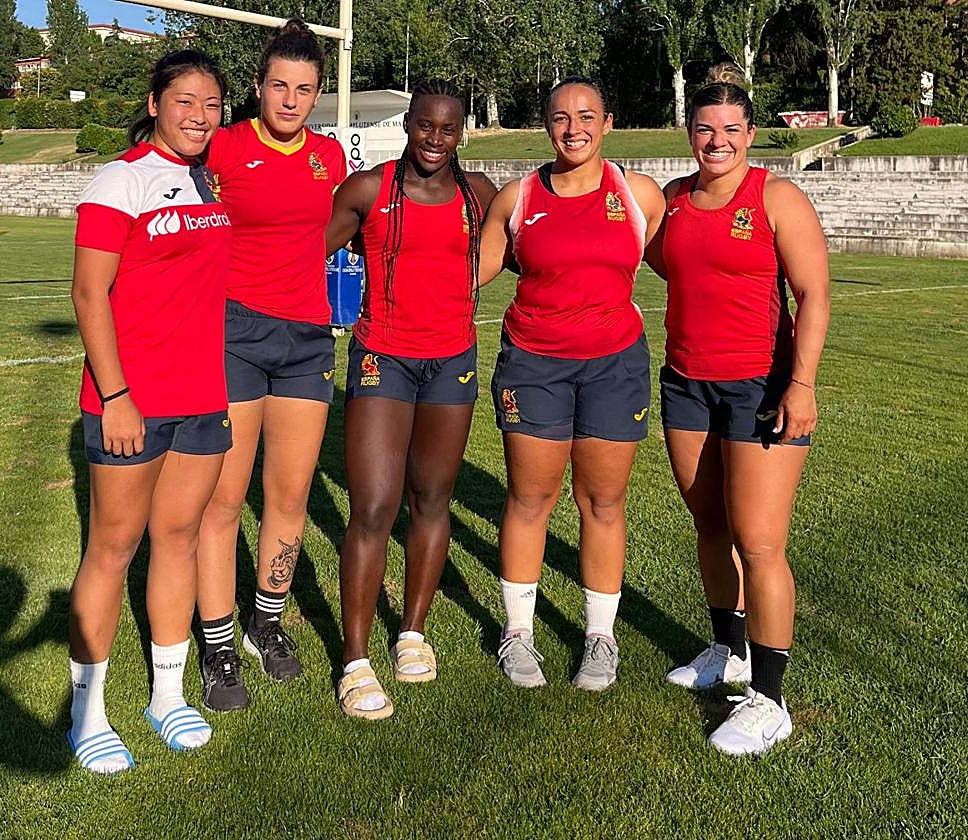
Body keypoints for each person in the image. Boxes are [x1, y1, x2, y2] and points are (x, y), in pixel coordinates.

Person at [643, 71, 829, 756]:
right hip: (686, 383)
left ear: (749, 135)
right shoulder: (674, 200)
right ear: (688, 134)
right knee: (709, 524)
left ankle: (769, 700)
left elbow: (812, 295)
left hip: (760, 387)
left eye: (729, 130)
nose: (715, 141)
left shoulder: (776, 197)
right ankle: (728, 650)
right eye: (703, 128)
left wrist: (801, 385)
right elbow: (671, 264)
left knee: (758, 541)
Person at [66, 51, 231, 775]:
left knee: (181, 539)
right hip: (131, 400)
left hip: (202, 396)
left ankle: (166, 695)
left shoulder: (208, 178)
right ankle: (86, 711)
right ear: (156, 103)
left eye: (212, 103)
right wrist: (115, 396)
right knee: (111, 549)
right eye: (185, 101)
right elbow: (87, 294)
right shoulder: (120, 178)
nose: (199, 115)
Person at [477, 76, 665, 693]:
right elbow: (464, 276)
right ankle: (518, 632)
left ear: (607, 121)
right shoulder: (518, 197)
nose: (573, 128)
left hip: (614, 366)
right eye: (560, 117)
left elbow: (686, 259)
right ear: (546, 125)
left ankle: (600, 637)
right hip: (533, 365)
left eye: (586, 115)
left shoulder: (638, 195)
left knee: (603, 504)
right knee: (530, 501)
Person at [324, 80, 497, 719]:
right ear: (408, 126)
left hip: (451, 361)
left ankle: (413, 633)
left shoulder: (478, 196)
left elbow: (512, 248)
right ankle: (355, 659)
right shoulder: (368, 190)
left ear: (461, 132)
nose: (434, 139)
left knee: (432, 498)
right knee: (373, 504)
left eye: (447, 128)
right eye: (424, 125)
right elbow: (305, 251)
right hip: (382, 358)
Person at [194, 19, 348, 711]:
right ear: (256, 87)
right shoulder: (222, 146)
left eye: (304, 89)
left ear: (318, 94)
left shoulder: (328, 159)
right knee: (224, 499)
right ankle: (219, 642)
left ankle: (267, 622)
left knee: (288, 497)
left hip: (307, 340)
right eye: (279, 86)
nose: (290, 100)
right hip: (232, 334)